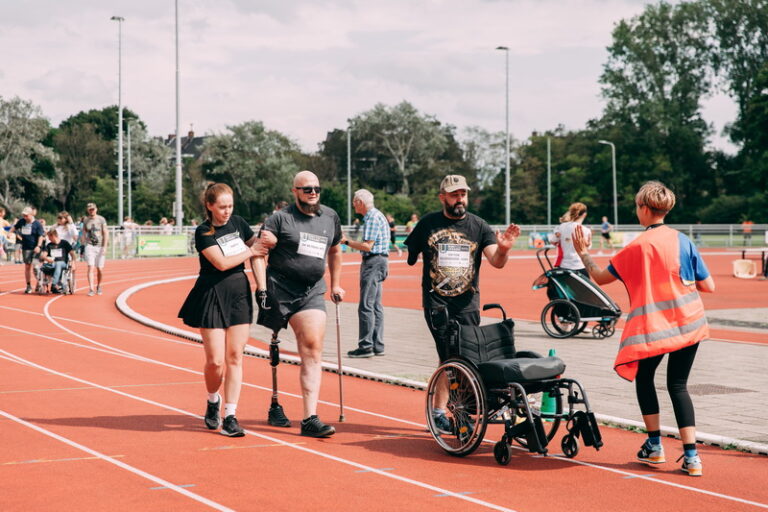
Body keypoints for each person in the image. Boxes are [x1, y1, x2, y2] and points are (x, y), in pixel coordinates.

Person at [571, 180, 715, 477]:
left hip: (656, 328)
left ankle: (654, 445)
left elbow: (600, 277)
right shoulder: (682, 240)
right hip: (689, 322)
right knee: (678, 385)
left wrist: (584, 253)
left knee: (645, 377)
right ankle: (692, 457)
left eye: (637, 207)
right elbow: (708, 286)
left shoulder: (636, 247)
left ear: (645, 209)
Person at [404, 175, 520, 430]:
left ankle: (452, 408)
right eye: (454, 194)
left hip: (468, 304)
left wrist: (503, 249)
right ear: (442, 197)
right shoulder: (428, 224)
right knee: (452, 356)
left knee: (462, 357)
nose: (460, 199)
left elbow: (497, 262)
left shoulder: (479, 226)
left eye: (463, 194)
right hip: (437, 304)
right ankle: (446, 412)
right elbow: (411, 254)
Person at [255, 170, 345, 438]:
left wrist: (336, 283)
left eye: (317, 188)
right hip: (279, 289)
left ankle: (309, 418)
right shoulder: (280, 219)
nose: (313, 193)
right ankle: (275, 402)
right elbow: (259, 253)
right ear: (294, 191)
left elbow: (336, 250)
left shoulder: (330, 217)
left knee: (312, 349)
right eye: (307, 189)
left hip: (311, 292)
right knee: (274, 348)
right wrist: (261, 288)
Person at [178, 182, 270, 437]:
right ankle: (212, 399)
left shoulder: (239, 223)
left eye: (230, 206)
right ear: (209, 206)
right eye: (222, 207)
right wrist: (250, 250)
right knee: (216, 361)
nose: (227, 211)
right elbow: (221, 263)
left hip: (239, 293)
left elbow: (259, 253)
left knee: (235, 357)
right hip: (211, 293)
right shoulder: (203, 232)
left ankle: (230, 415)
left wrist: (262, 283)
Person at [342, 189, 390, 358]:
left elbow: (367, 246)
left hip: (373, 262)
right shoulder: (378, 216)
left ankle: (366, 346)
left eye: (354, 202)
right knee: (376, 305)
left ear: (360, 202)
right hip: (381, 261)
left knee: (366, 305)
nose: (353, 205)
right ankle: (377, 345)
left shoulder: (371, 218)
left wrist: (346, 241)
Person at [548, 202, 591, 278]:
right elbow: (588, 247)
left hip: (564, 266)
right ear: (584, 214)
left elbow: (552, 241)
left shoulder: (561, 227)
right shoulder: (586, 230)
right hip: (580, 266)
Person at [10, 206, 45, 293]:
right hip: (26, 248)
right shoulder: (22, 221)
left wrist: (38, 246)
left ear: (31, 214)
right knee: (27, 266)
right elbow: (15, 227)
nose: (25, 217)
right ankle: (28, 285)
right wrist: (9, 232)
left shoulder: (37, 224)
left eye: (26, 215)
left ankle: (39, 282)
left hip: (35, 248)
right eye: (23, 215)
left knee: (36, 266)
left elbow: (41, 236)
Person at [80, 202, 109, 296]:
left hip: (100, 245)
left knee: (100, 269)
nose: (91, 211)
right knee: (90, 267)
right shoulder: (86, 220)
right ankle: (91, 288)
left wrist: (104, 247)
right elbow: (83, 232)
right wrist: (83, 244)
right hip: (90, 245)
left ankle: (99, 286)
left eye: (93, 209)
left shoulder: (101, 219)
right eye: (89, 209)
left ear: (96, 209)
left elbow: (105, 233)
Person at [40, 228, 76, 294]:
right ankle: (55, 284)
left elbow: (73, 254)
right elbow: (43, 255)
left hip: (63, 263)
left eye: (49, 237)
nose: (49, 239)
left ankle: (54, 284)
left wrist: (73, 262)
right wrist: (47, 259)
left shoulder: (64, 243)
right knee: (53, 265)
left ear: (53, 236)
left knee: (58, 264)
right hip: (52, 263)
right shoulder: (49, 245)